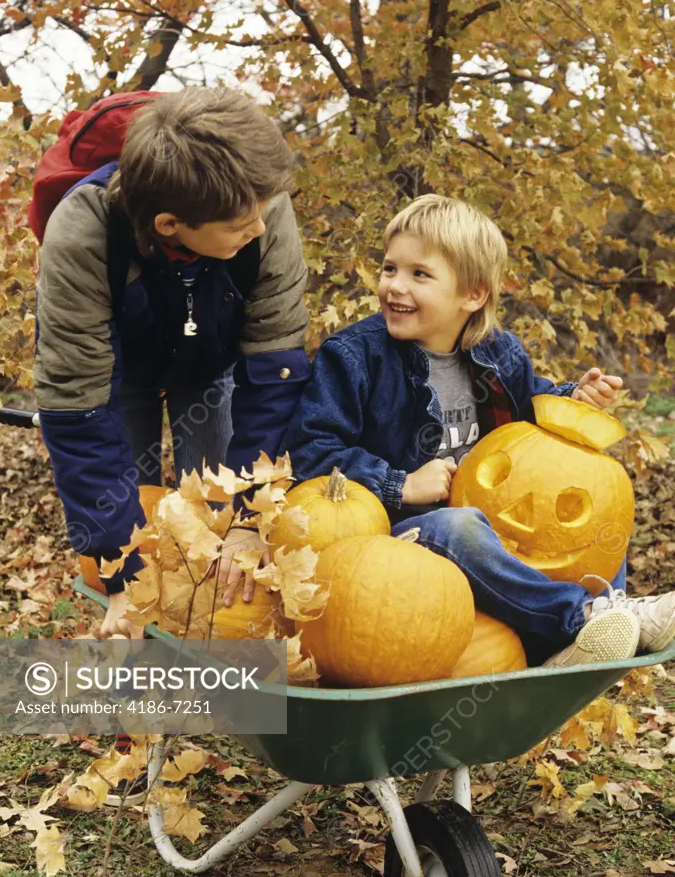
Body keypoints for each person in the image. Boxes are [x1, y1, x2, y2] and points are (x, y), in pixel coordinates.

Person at [34, 87, 311, 804]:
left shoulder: (264, 208)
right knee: (130, 552)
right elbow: (74, 403)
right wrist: (118, 561)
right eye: (240, 222)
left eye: (262, 210)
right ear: (171, 224)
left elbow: (275, 374)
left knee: (213, 533)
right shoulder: (82, 231)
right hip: (114, 371)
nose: (261, 224)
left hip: (211, 364)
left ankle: (213, 695)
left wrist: (250, 518)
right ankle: (138, 719)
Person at [281, 194, 675, 669]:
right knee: (458, 525)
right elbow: (310, 450)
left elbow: (532, 410)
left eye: (419, 274)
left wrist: (573, 398)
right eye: (390, 269)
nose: (394, 287)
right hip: (398, 539)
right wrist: (398, 484)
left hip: (486, 525)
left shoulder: (498, 353)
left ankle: (576, 645)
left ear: (473, 295)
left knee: (602, 514)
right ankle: (585, 616)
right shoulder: (354, 357)